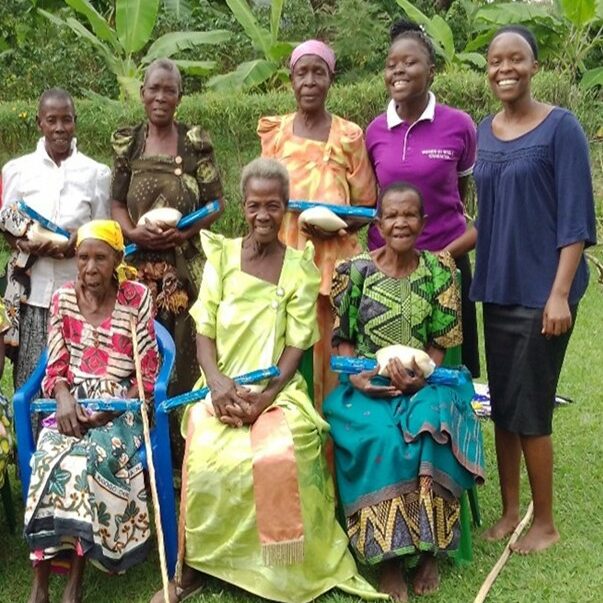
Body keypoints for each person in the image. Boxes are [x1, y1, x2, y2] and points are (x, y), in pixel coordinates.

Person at [151, 158, 385, 603]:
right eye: (255, 205)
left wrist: (263, 401)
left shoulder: (298, 267)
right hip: (218, 387)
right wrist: (218, 385)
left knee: (284, 450)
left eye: (273, 206)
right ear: (244, 206)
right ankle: (196, 565)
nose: (263, 215)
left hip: (276, 392)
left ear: (285, 209)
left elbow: (295, 348)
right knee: (205, 456)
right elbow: (204, 332)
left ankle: (284, 567)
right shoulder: (221, 256)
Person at [324, 182, 485, 602]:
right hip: (365, 383)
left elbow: (440, 343)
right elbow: (341, 338)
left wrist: (420, 378)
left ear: (423, 222)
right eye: (391, 215)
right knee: (381, 437)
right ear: (378, 224)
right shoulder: (354, 271)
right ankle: (391, 560)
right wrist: (357, 378)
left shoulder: (439, 271)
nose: (400, 223)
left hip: (424, 381)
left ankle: (430, 548)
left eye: (409, 215)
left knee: (432, 426)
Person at [470, 26, 596, 553]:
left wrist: (560, 293)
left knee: (532, 407)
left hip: (545, 289)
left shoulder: (560, 128)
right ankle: (509, 511)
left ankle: (544, 522)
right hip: (498, 286)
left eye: (515, 59)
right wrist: (441, 250)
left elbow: (577, 220)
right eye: (496, 60)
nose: (505, 68)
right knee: (502, 405)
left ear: (533, 66)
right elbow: (489, 217)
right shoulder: (485, 130)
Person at [24, 220, 159, 603]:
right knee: (48, 459)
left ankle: (75, 581)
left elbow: (145, 371)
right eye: (83, 258)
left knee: (83, 461)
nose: (89, 267)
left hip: (121, 407)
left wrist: (113, 409)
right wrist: (64, 396)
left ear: (118, 258)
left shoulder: (136, 297)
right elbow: (55, 369)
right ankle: (41, 580)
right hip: (72, 401)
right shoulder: (63, 299)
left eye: (100, 258)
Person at [258, 40, 377, 408]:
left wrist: (336, 226)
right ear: (291, 80)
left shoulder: (349, 136)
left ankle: (333, 447)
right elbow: (262, 195)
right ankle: (291, 448)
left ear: (330, 79)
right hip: (286, 260)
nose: (309, 81)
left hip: (334, 263)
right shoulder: (276, 133)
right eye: (301, 73)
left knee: (331, 351)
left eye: (318, 73)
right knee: (285, 349)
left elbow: (367, 205)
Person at [365, 20, 480, 377]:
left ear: (431, 72)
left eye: (410, 62)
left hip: (446, 265)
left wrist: (441, 256)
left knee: (446, 370)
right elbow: (373, 201)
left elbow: (458, 198)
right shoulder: (374, 131)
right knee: (389, 366)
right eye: (391, 64)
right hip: (386, 269)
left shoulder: (459, 125)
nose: (398, 69)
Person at [111, 58, 224, 399]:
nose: (160, 96)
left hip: (183, 267)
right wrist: (132, 232)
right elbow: (116, 202)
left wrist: (186, 232)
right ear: (142, 93)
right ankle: (140, 435)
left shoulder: (193, 144)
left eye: (169, 90)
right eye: (154, 89)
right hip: (135, 266)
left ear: (179, 97)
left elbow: (216, 203)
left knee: (185, 352)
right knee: (136, 349)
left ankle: (181, 438)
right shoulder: (128, 144)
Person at [1, 88, 111, 392]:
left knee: (77, 381)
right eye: (52, 120)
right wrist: (34, 243)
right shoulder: (18, 170)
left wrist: (71, 246)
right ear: (40, 123)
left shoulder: (96, 173)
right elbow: (9, 227)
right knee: (31, 383)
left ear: (75, 122)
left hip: (80, 298)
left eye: (67, 120)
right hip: (33, 297)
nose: (60, 128)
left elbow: (102, 236)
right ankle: (31, 441)